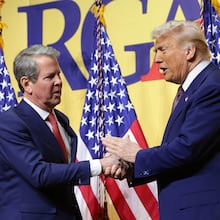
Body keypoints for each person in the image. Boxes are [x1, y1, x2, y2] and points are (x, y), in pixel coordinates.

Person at [102, 20, 220, 220]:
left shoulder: (211, 87)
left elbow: (187, 149)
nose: (156, 59)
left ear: (189, 51)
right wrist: (133, 168)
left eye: (162, 50)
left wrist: (136, 155)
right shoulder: (193, 89)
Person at [0, 44, 119, 220]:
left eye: (59, 74)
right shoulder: (9, 123)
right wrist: (100, 165)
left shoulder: (61, 120)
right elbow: (40, 174)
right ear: (27, 84)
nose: (59, 81)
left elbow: (62, 174)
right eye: (49, 77)